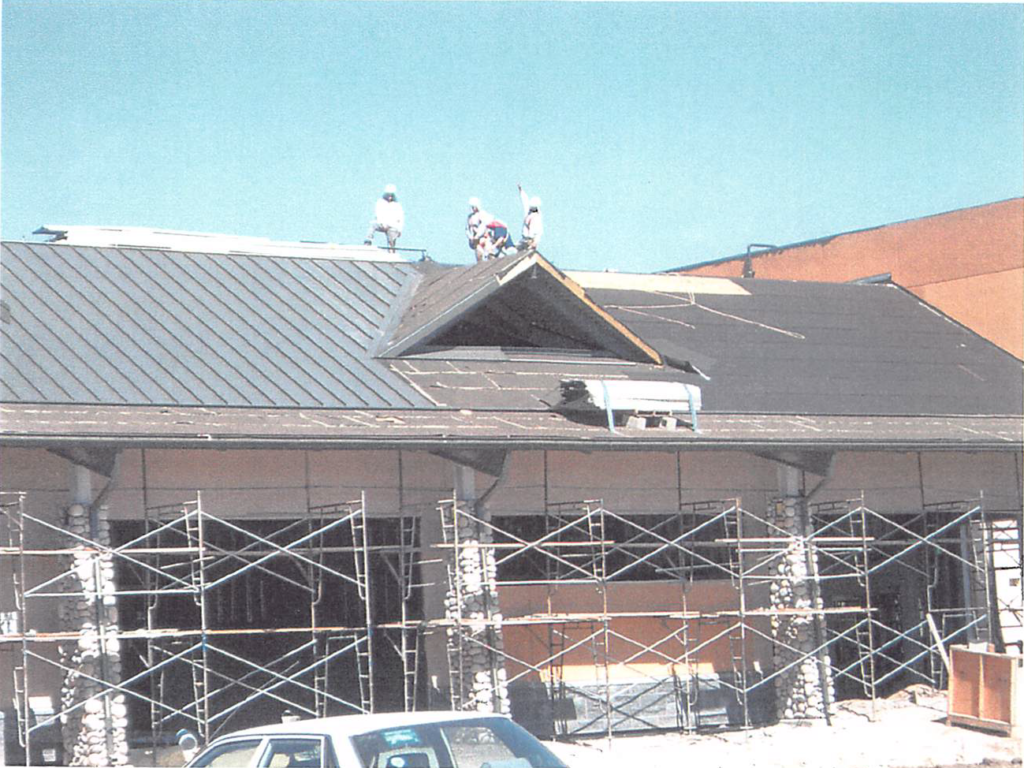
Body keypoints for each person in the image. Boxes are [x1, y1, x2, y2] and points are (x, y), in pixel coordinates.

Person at [364, 184, 404, 251]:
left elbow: (401, 218)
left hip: (392, 226)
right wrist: (382, 223)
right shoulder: (380, 202)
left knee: (392, 240)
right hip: (382, 224)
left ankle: (391, 251)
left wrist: (400, 230)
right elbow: (378, 213)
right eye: (388, 195)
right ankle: (368, 241)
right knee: (372, 225)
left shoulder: (397, 205)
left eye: (391, 196)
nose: (390, 198)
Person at [516, 183, 543, 253]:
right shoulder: (528, 212)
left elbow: (538, 232)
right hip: (524, 239)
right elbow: (525, 200)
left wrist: (535, 242)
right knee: (515, 251)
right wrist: (521, 191)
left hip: (531, 240)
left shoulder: (537, 217)